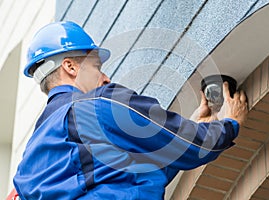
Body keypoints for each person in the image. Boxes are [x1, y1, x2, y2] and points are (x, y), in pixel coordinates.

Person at [13, 21, 248, 200]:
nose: (105, 78)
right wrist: (229, 124)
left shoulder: (27, 164)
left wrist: (192, 125)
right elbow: (190, 145)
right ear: (71, 67)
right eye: (97, 67)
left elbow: (129, 177)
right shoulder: (98, 105)